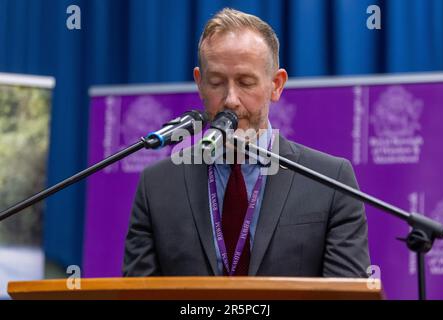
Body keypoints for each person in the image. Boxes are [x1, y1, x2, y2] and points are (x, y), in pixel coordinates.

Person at [123, 8, 370, 277]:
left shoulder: (330, 181)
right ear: (199, 83)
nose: (230, 99)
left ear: (276, 85)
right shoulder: (157, 186)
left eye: (245, 82)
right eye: (216, 82)